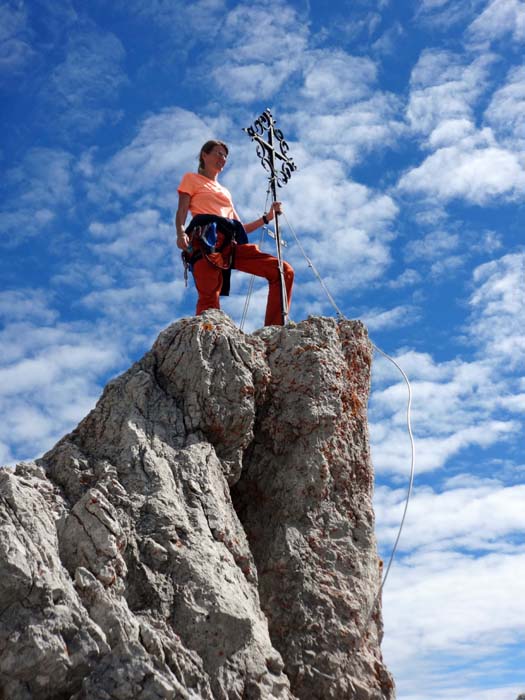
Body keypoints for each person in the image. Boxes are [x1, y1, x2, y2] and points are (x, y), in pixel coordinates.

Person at [175, 140, 294, 326]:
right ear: (204, 155)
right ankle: (209, 339)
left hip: (229, 242)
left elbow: (240, 227)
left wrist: (267, 218)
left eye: (225, 156)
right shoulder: (192, 179)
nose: (222, 158)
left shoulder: (224, 192)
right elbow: (182, 210)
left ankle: (275, 329)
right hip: (205, 240)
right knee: (209, 298)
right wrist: (181, 232)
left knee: (282, 270)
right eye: (218, 153)